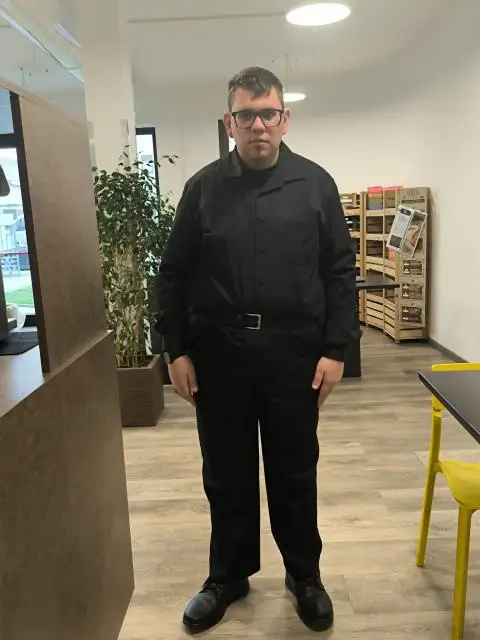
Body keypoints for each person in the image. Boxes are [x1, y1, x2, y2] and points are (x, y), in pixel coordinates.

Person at [155, 66, 357, 634]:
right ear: (230, 123)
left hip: (295, 357)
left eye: (268, 113)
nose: (259, 125)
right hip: (218, 357)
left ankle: (304, 575)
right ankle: (227, 577)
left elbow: (340, 272)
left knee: (295, 470)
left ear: (285, 118)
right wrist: (175, 350)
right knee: (226, 473)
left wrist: (336, 349)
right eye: (247, 115)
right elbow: (173, 275)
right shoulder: (202, 190)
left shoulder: (315, 185)